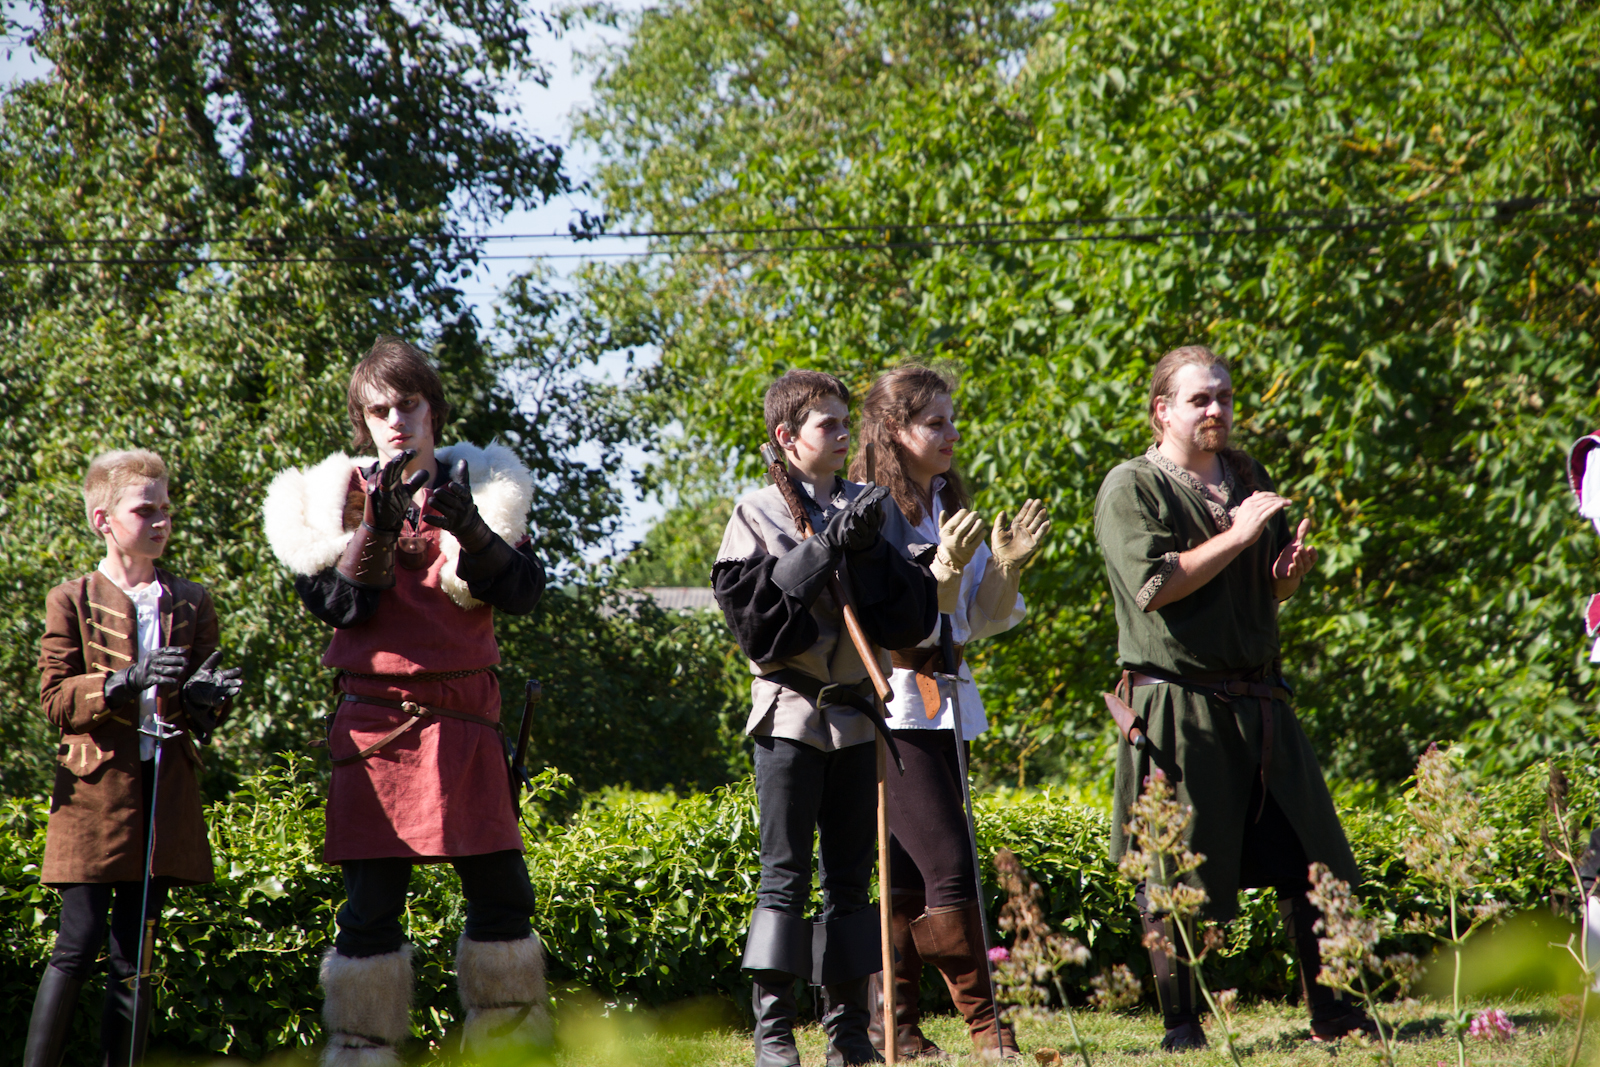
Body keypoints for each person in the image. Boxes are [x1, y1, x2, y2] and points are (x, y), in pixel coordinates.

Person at [263, 337, 548, 1067]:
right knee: (370, 910)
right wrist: (377, 527)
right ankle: (362, 1053)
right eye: (380, 408)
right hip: (375, 728)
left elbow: (523, 592)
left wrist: (473, 529)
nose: (396, 419)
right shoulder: (324, 504)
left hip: (466, 721)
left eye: (409, 404)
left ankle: (508, 1055)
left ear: (433, 411)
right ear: (363, 420)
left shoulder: (489, 488)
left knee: (504, 900)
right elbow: (341, 608)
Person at [1093, 345, 1375, 1050]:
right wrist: (1240, 532)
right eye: (1200, 399)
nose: (1216, 409)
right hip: (1177, 704)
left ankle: (1336, 1013)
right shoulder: (1132, 486)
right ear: (1163, 410)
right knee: (1174, 868)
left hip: (1262, 701)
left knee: (1315, 856)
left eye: (1223, 395)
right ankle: (1183, 1025)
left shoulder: (1248, 476)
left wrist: (1285, 575)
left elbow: (1261, 588)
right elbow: (1154, 585)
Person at [712, 369, 937, 1067]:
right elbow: (758, 628)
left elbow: (912, 618)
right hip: (790, 715)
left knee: (850, 880)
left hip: (858, 719)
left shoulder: (871, 508)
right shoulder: (754, 514)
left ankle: (848, 1034)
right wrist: (823, 548)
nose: (844, 435)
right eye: (827, 424)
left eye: (845, 422)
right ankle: (774, 1035)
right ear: (787, 436)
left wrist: (867, 550)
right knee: (784, 874)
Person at [848, 365, 1049, 1060]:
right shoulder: (869, 510)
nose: (951, 433)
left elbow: (978, 621)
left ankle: (893, 1028)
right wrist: (940, 572)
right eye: (934, 422)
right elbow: (892, 619)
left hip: (947, 701)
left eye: (951, 419)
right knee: (950, 864)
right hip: (895, 702)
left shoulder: (944, 502)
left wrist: (1007, 566)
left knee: (906, 880)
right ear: (893, 428)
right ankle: (988, 1026)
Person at [25, 449, 244, 1067]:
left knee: (137, 953)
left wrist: (206, 701)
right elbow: (55, 700)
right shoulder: (70, 599)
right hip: (94, 797)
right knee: (77, 942)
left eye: (166, 509)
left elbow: (203, 713)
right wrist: (124, 681)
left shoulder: (191, 601)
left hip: (163, 790)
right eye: (145, 510)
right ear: (103, 519)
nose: (161, 521)